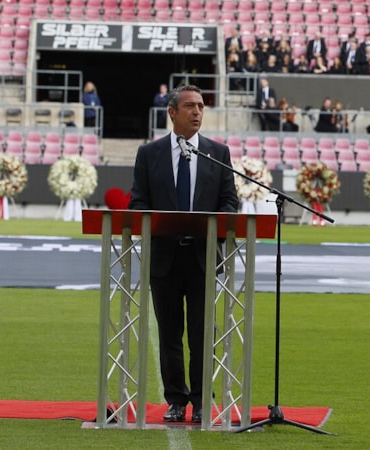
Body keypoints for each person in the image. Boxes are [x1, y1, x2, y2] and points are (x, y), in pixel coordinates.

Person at [128, 85, 239, 424]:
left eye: (201, 106)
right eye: (190, 106)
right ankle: (176, 400)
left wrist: (215, 227)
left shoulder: (217, 153)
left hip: (203, 259)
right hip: (164, 259)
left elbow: (230, 202)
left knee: (203, 334)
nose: (197, 112)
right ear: (172, 113)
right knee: (170, 335)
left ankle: (203, 400)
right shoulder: (149, 154)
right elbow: (138, 203)